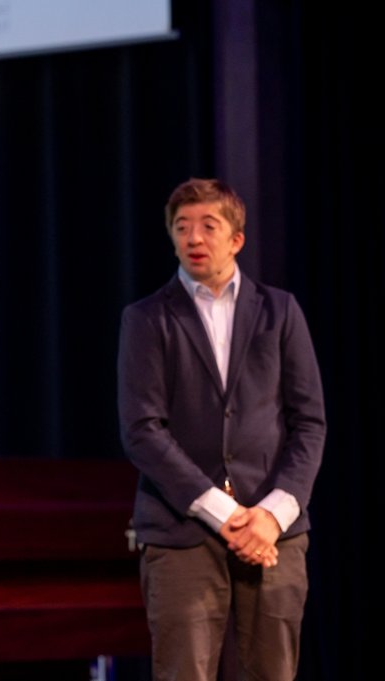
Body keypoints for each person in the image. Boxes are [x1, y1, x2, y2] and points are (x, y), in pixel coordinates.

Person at [117, 178, 326, 680]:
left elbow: (309, 423)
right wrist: (225, 513)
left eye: (208, 226)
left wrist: (271, 516)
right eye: (182, 227)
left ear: (236, 239)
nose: (193, 237)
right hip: (181, 529)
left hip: (273, 532)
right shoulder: (146, 319)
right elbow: (142, 429)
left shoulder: (280, 311)